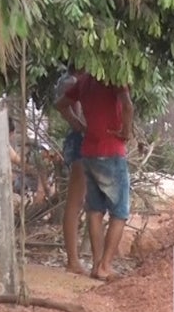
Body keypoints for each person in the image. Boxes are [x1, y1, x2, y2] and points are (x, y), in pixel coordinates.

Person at [56, 72, 133, 281]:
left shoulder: (83, 81)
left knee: (95, 209)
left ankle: (97, 264)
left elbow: (61, 104)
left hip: (88, 151)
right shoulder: (116, 77)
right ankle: (105, 265)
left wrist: (81, 126)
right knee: (120, 212)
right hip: (111, 150)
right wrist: (126, 131)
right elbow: (128, 106)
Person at [55, 69, 88, 275]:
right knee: (75, 202)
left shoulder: (68, 79)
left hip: (77, 140)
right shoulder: (72, 81)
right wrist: (79, 125)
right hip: (80, 142)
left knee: (78, 202)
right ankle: (73, 260)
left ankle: (75, 258)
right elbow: (63, 107)